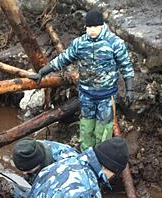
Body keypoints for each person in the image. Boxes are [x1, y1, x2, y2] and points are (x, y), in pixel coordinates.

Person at [30, 10, 135, 151]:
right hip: (86, 95)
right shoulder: (80, 43)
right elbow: (63, 59)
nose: (92, 30)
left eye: (95, 27)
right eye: (89, 27)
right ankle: (86, 155)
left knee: (103, 130)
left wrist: (130, 89)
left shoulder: (114, 43)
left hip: (106, 96)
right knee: (86, 127)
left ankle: (101, 156)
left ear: (102, 26)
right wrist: (43, 72)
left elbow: (126, 67)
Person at [12, 138, 79, 183]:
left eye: (28, 171)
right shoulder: (32, 147)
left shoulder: (63, 165)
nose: (24, 173)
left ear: (39, 163)